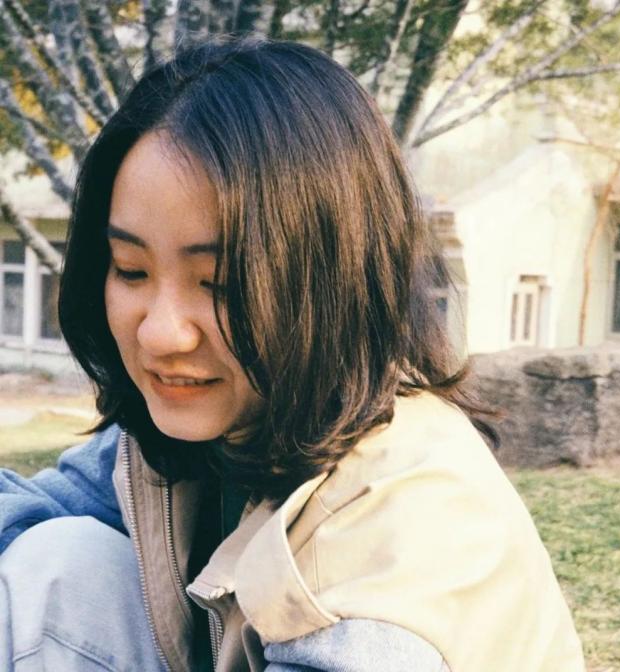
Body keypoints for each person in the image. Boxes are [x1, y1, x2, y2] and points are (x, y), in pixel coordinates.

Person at [0, 37, 585, 671]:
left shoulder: (393, 557)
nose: (161, 334)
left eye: (221, 284)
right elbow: (30, 512)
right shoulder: (227, 416)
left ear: (335, 279)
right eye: (131, 269)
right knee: (59, 565)